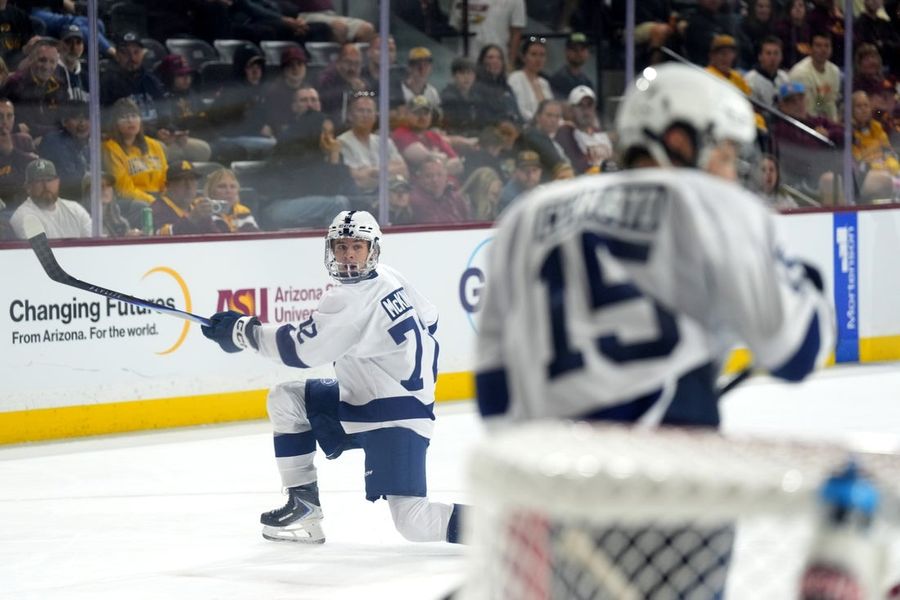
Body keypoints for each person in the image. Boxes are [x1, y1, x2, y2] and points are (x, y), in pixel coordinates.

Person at [474, 64, 834, 597]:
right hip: (674, 487)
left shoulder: (529, 216)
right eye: (726, 155)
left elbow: (495, 398)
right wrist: (809, 282)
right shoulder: (712, 202)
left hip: (558, 493)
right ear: (678, 139)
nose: (731, 173)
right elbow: (797, 351)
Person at [200, 209, 465, 545]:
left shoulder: (350, 300)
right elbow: (432, 319)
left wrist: (243, 332)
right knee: (288, 399)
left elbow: (300, 350)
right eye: (341, 247)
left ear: (372, 249)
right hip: (369, 400)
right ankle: (304, 506)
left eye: (357, 246)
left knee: (413, 521)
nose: (349, 255)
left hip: (397, 418)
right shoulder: (389, 276)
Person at [338, 92, 408, 195]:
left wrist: (373, 172)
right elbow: (356, 181)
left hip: (390, 197)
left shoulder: (385, 142)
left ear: (376, 116)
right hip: (362, 198)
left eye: (369, 111)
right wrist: (389, 171)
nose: (365, 115)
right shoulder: (341, 142)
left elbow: (404, 171)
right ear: (350, 116)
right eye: (361, 111)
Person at [0, 38, 70, 140]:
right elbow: (16, 124)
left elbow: (65, 121)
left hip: (52, 139)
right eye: (42, 60)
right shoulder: (15, 84)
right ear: (31, 59)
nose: (47, 66)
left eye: (52, 62)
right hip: (23, 141)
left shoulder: (60, 85)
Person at [102, 98, 168, 205]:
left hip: (160, 199)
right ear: (115, 123)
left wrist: (165, 200)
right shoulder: (110, 148)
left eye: (134, 116)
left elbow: (166, 179)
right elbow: (124, 190)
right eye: (124, 117)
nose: (130, 121)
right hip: (133, 202)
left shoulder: (154, 145)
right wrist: (154, 202)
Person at [10, 158, 90, 239]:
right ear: (28, 187)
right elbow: (41, 250)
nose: (46, 185)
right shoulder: (22, 216)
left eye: (49, 179)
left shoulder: (75, 209)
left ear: (58, 182)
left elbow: (93, 244)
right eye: (39, 181)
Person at [153, 160, 226, 235]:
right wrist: (192, 218)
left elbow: (215, 238)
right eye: (181, 180)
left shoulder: (197, 208)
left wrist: (206, 219)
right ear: (168, 185)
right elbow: (162, 237)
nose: (189, 185)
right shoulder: (156, 209)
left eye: (192, 179)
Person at [555, 85, 613, 175]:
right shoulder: (566, 132)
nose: (586, 111)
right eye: (580, 106)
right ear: (571, 110)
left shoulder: (600, 133)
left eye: (589, 105)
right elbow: (578, 166)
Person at [788, 32, 842, 122]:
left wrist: (834, 125)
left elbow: (829, 103)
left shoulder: (834, 71)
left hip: (821, 120)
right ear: (810, 48)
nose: (823, 50)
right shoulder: (800, 73)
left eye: (827, 46)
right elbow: (807, 111)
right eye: (818, 46)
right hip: (801, 122)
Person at [450, 0, 525, 62]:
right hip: (466, 60)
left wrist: (511, 63)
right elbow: (457, 25)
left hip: (497, 60)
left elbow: (516, 33)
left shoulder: (515, 1)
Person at [409, 156, 470, 223]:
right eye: (428, 176)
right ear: (420, 178)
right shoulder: (413, 201)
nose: (435, 180)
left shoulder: (456, 198)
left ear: (446, 175)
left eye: (439, 175)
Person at [507, 36, 552, 122]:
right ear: (523, 57)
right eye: (533, 54)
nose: (538, 59)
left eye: (542, 55)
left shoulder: (544, 83)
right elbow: (519, 110)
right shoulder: (515, 78)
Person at [203, 167, 260, 232]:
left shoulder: (243, 211)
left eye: (233, 186)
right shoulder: (202, 212)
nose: (228, 191)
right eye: (222, 186)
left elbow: (256, 237)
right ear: (211, 192)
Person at [744, 35, 791, 108]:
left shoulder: (784, 77)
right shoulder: (750, 80)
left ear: (781, 57)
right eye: (768, 53)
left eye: (776, 53)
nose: (772, 58)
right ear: (760, 57)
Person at [548, 32, 595, 100]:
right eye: (574, 49)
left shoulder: (588, 83)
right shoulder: (557, 81)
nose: (579, 53)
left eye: (582, 49)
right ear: (566, 52)